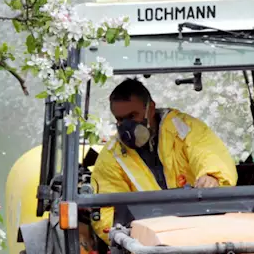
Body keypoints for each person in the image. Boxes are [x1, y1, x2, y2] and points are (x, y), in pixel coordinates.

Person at [90, 78, 238, 241]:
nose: (126, 126)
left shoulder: (184, 129)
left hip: (201, 230)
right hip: (147, 246)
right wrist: (135, 238)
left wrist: (211, 177)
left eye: (133, 116)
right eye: (120, 119)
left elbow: (208, 152)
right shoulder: (111, 157)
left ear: (151, 109)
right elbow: (106, 215)